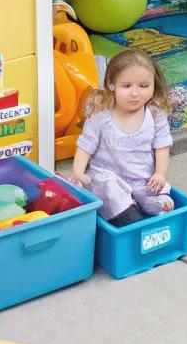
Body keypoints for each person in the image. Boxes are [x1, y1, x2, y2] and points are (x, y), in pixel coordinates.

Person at [71, 47, 174, 226]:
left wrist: (159, 174)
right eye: (126, 86)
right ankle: (129, 215)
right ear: (112, 85)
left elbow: (162, 146)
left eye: (144, 86)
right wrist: (78, 173)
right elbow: (86, 145)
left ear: (153, 84)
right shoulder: (101, 115)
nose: (135, 93)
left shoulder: (155, 114)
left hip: (142, 179)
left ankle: (149, 204)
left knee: (161, 197)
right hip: (109, 177)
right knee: (108, 188)